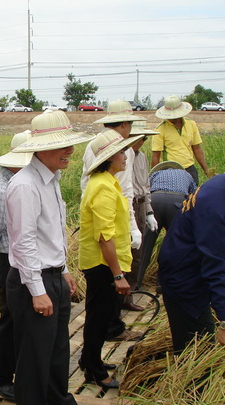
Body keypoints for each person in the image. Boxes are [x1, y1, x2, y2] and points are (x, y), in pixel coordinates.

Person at [5, 110, 95, 405]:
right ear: (40, 149)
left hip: (52, 276)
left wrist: (65, 271)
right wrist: (37, 290)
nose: (69, 150)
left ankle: (59, 403)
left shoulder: (50, 180)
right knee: (34, 355)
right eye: (62, 145)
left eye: (70, 144)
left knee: (58, 348)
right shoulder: (25, 186)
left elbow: (52, 234)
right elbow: (24, 242)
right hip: (33, 280)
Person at [158, 151, 225, 355]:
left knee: (200, 337)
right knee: (196, 349)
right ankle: (191, 375)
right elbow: (216, 266)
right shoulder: (218, 209)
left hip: (191, 264)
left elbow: (223, 245)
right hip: (184, 277)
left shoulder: (224, 185)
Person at [79, 130, 144, 389]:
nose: (125, 156)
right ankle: (94, 369)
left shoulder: (107, 182)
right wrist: (118, 275)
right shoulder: (103, 188)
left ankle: (89, 359)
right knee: (99, 318)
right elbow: (104, 236)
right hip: (102, 265)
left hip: (105, 263)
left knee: (99, 315)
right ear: (109, 158)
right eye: (120, 152)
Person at [81, 100, 147, 323]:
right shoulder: (107, 174)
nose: (125, 157)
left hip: (105, 219)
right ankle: (112, 326)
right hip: (107, 228)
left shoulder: (97, 148)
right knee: (103, 301)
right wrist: (133, 226)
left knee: (102, 301)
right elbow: (125, 192)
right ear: (125, 124)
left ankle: (114, 321)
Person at [0, 131, 33, 402]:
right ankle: (0, 379)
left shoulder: (20, 181)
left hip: (14, 258)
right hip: (8, 260)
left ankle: (14, 375)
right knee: (10, 320)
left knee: (19, 319)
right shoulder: (1, 189)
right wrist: (0, 253)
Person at [135, 161, 197, 289]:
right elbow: (194, 196)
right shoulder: (186, 175)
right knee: (173, 244)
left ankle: (136, 282)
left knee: (146, 243)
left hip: (155, 201)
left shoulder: (156, 174)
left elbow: (146, 190)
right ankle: (164, 283)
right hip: (177, 202)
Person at [123, 120, 160, 308]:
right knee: (125, 251)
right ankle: (122, 297)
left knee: (138, 253)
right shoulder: (122, 156)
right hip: (126, 205)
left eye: (144, 139)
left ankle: (131, 293)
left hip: (140, 205)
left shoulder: (142, 157)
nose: (141, 142)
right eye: (138, 138)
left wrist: (149, 211)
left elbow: (145, 186)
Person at [151, 95, 210, 184]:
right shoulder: (160, 129)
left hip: (189, 168)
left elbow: (197, 148)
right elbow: (156, 156)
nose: (174, 118)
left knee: (193, 192)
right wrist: (153, 178)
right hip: (171, 170)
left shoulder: (191, 124)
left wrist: (206, 170)